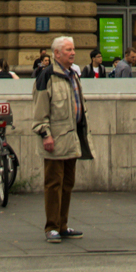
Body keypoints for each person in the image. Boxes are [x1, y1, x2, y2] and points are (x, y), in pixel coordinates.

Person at [32, 34, 88, 242]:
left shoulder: (73, 74)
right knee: (54, 183)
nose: (73, 53)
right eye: (68, 50)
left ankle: (63, 224)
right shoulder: (46, 76)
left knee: (68, 183)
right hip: (54, 139)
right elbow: (39, 110)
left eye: (73, 49)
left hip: (72, 138)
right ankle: (52, 227)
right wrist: (45, 134)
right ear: (56, 54)